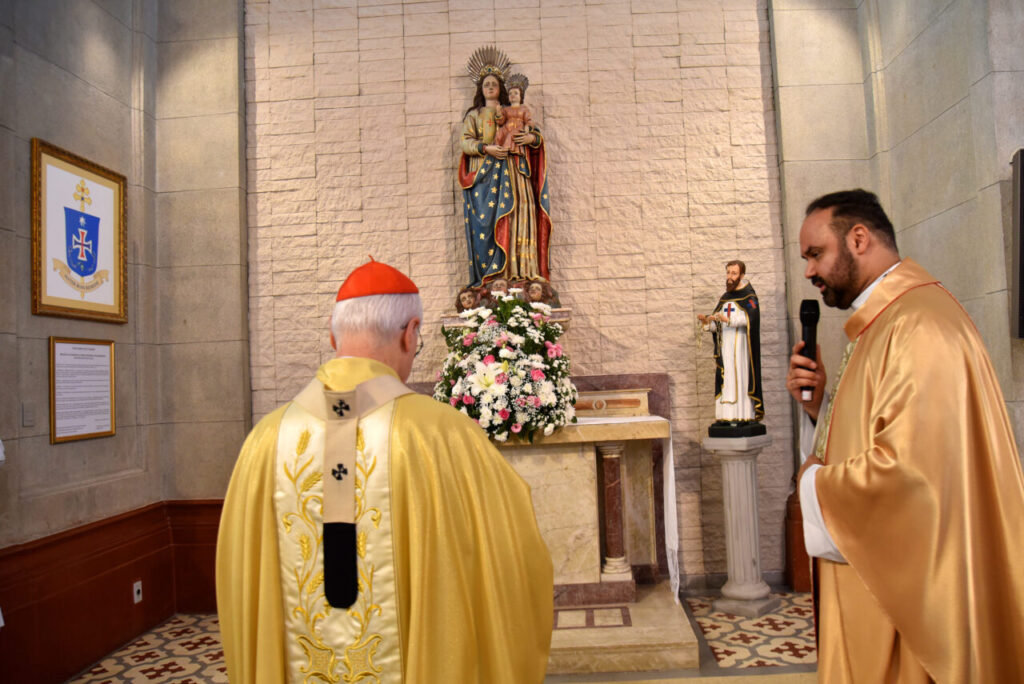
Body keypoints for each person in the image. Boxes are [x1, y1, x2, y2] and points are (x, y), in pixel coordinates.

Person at [216, 259, 554, 683]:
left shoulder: (263, 442)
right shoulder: (445, 437)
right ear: (410, 333)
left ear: (331, 332)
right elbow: (514, 559)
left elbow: (237, 583)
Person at [786, 189, 1024, 682]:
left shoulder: (918, 325)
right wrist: (818, 410)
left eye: (815, 254)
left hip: (914, 603)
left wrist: (812, 485)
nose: (808, 272)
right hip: (880, 589)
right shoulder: (884, 323)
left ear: (858, 238)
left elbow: (913, 477)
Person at [459, 51, 551, 289]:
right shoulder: (475, 115)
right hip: (484, 177)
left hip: (510, 170)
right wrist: (485, 148)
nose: (490, 87)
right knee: (487, 227)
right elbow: (465, 143)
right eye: (486, 84)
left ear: (502, 88)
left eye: (494, 84)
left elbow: (534, 136)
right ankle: (488, 277)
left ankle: (517, 270)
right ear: (481, 89)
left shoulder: (514, 113)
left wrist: (531, 138)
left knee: (517, 214)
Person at [698, 260, 764, 431]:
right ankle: (725, 415)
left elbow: (752, 319)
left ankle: (743, 414)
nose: (730, 277)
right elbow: (717, 324)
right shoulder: (724, 298)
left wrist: (730, 320)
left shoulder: (749, 297)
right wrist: (708, 322)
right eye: (728, 273)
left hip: (741, 346)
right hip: (725, 346)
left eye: (734, 273)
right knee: (726, 379)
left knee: (740, 377)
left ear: (742, 275)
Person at [494, 74, 533, 156]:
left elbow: (529, 120)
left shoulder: (524, 109)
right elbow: (501, 122)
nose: (512, 95)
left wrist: (527, 127)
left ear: (521, 96)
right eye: (510, 93)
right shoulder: (506, 109)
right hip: (507, 127)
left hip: (518, 128)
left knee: (512, 134)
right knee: (499, 133)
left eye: (516, 93)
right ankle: (497, 150)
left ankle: (506, 149)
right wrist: (498, 113)